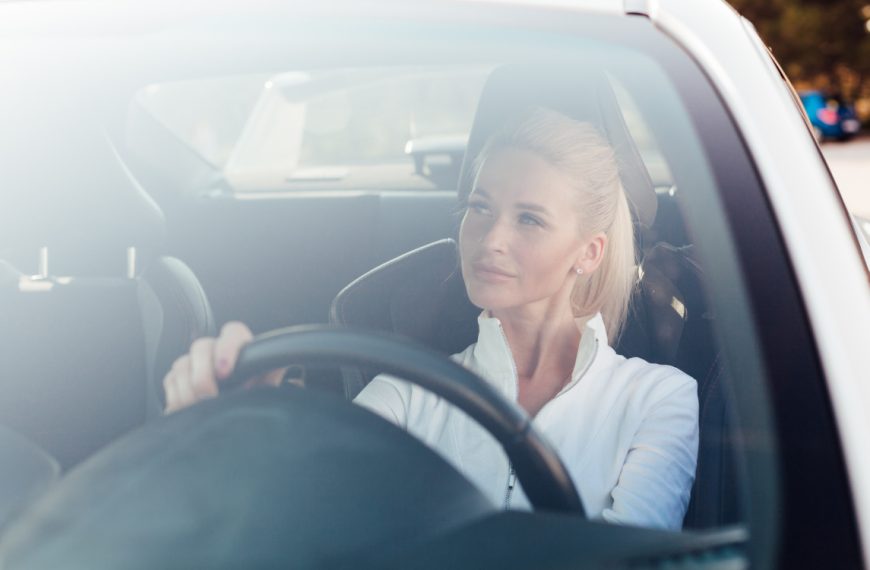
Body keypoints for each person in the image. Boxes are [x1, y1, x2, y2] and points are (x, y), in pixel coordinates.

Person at [162, 107, 698, 531]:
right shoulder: (407, 392)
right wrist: (231, 435)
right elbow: (310, 512)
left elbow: (635, 559)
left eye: (529, 218)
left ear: (588, 252)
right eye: (480, 206)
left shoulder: (659, 399)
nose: (490, 239)